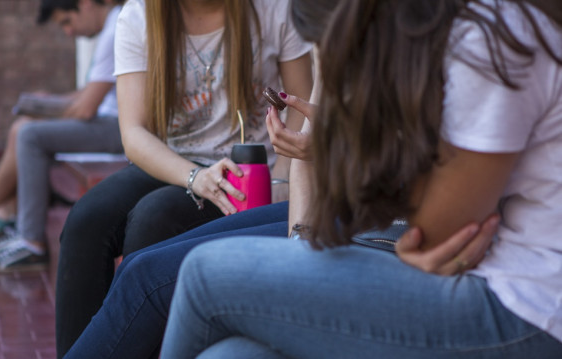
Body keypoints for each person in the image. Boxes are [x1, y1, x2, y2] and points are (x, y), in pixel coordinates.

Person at [58, 0, 502, 357]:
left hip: (384, 228)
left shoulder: (465, 45)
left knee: (170, 273)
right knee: (123, 252)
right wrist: (299, 240)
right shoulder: (335, 29)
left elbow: (437, 224)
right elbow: (312, 152)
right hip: (339, 214)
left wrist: (328, 157)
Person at [160, 0, 562, 358]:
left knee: (203, 273)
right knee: (233, 354)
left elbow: (434, 238)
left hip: (525, 311)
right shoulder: (466, 36)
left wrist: (346, 134)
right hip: (491, 288)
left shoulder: (490, 37)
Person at [54, 0, 313, 356]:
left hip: (248, 171)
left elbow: (303, 105)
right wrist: (194, 176)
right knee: (86, 219)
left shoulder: (273, 8)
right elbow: (134, 134)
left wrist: (283, 178)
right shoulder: (139, 15)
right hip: (173, 161)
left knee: (154, 217)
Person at [0, 0, 126, 272]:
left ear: (86, 4)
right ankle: (4, 213)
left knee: (30, 135)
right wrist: (49, 103)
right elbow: (89, 95)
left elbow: (86, 108)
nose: (68, 32)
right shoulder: (115, 23)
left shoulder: (117, 27)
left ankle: (28, 240)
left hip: (120, 129)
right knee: (27, 128)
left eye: (67, 21)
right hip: (113, 124)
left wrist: (46, 112)